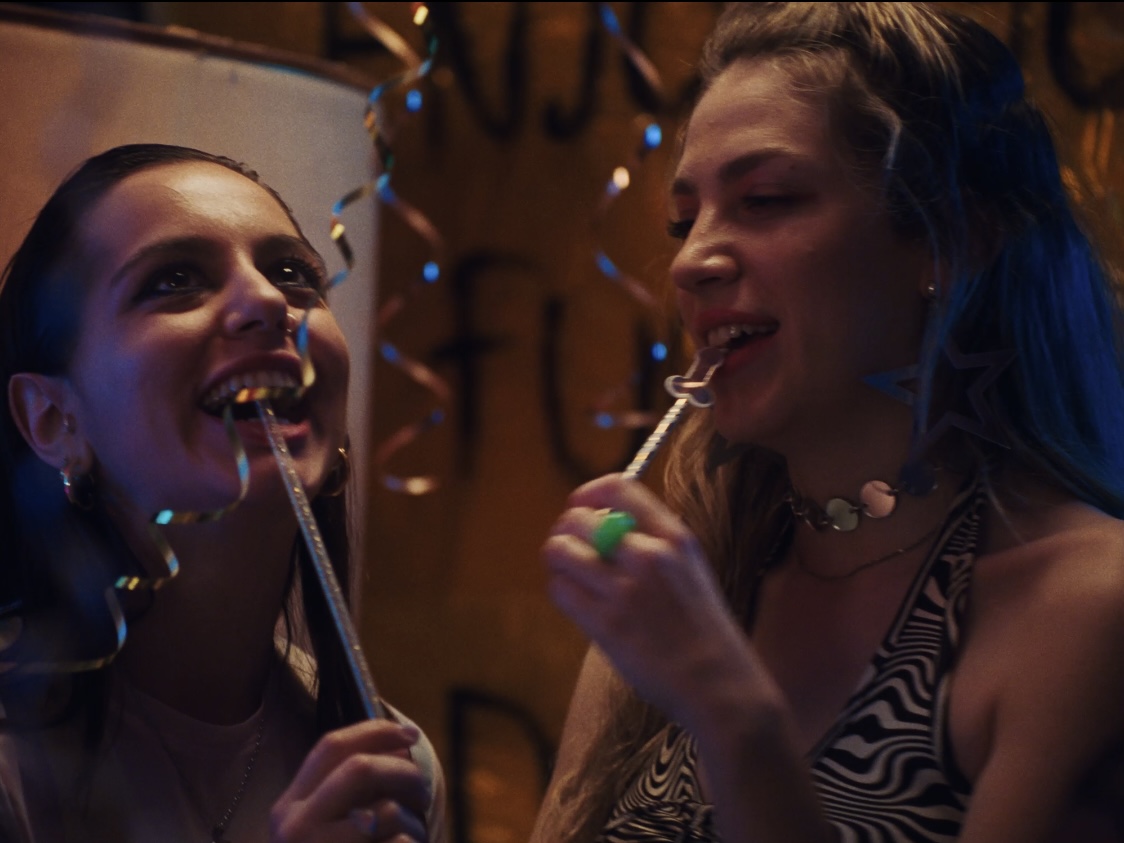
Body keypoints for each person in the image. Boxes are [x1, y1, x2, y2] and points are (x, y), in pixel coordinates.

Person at [535, 3, 1124, 842]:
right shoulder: (687, 597)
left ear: (949, 242)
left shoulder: (1088, 607)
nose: (691, 259)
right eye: (684, 219)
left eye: (765, 199)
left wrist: (730, 710)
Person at [0, 143, 446, 843]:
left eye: (293, 274)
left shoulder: (395, 771)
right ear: (54, 419)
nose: (268, 301)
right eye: (174, 279)